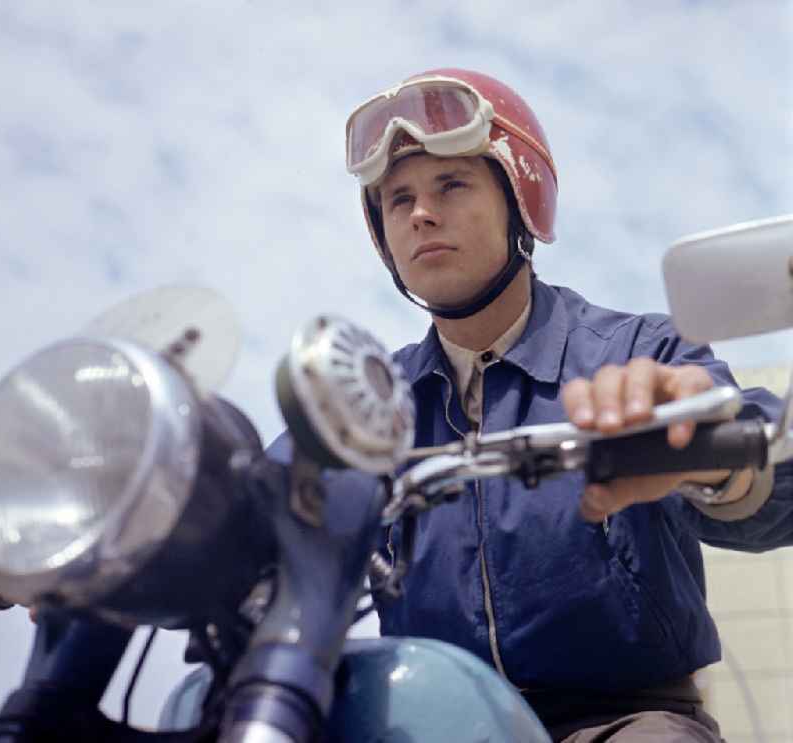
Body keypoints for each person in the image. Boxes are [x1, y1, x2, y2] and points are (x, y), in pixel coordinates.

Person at [336, 68, 793, 741]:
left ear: (521, 197)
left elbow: (773, 469)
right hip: (426, 724)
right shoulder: (368, 404)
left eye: (451, 184)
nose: (420, 213)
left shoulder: (640, 352)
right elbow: (262, 499)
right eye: (397, 199)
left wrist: (712, 449)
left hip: (622, 717)